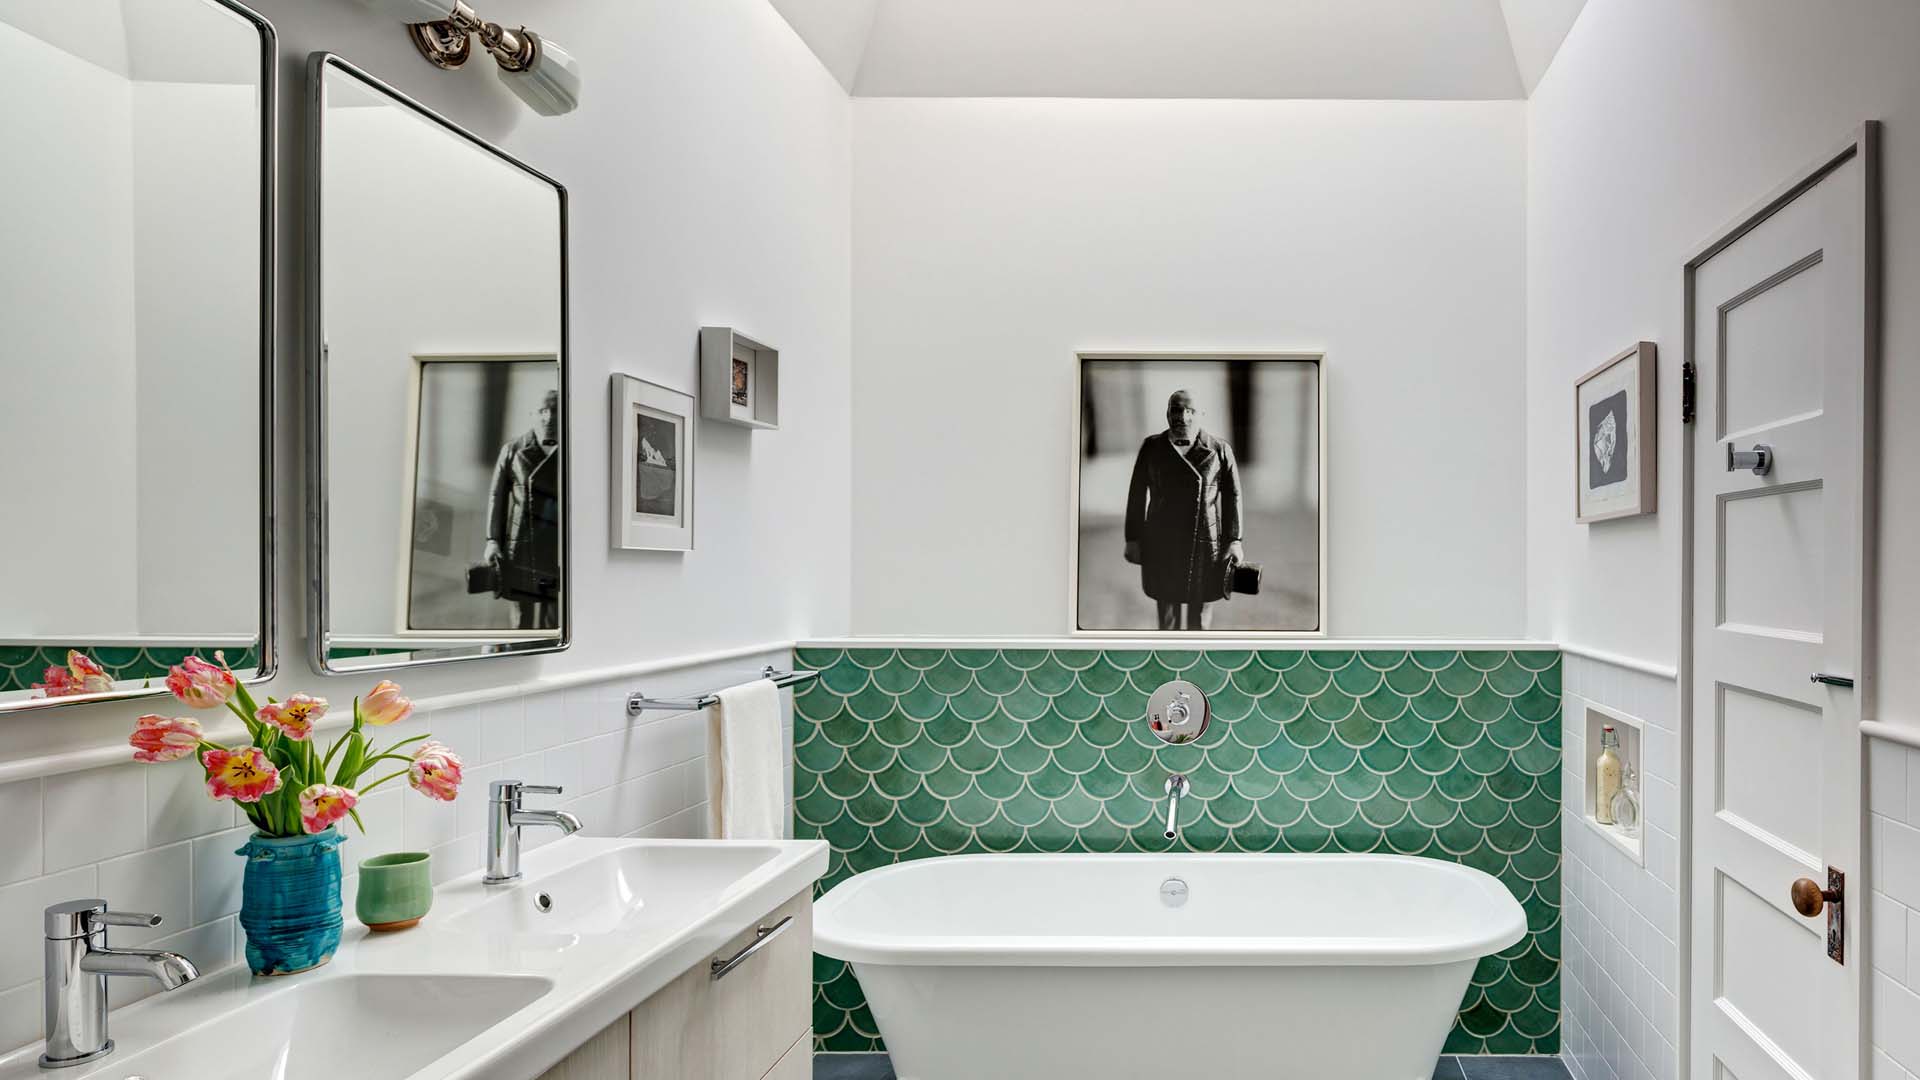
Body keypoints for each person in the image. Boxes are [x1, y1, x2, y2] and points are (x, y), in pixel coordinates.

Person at [1123, 390, 1245, 631]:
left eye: (1190, 411)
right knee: (1167, 613)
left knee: (1200, 614)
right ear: (1167, 413)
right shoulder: (1151, 447)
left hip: (1205, 544)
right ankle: (1168, 658)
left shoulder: (1220, 450)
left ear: (1201, 414)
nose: (1183, 417)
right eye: (1176, 410)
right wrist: (1133, 538)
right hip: (1161, 542)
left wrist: (1234, 541)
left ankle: (1198, 658)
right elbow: (1136, 495)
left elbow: (1233, 497)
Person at [485, 388, 562, 630]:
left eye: (555, 411)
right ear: (533, 414)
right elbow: (496, 498)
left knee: (555, 621)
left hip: (557, 549)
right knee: (521, 622)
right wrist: (492, 541)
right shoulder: (513, 450)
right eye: (543, 411)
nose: (548, 417)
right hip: (520, 547)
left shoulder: (574, 451)